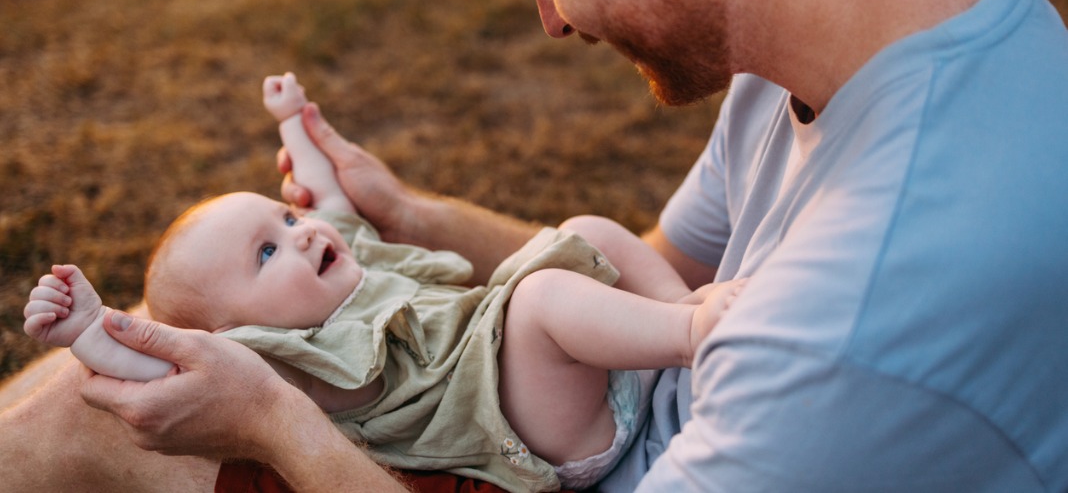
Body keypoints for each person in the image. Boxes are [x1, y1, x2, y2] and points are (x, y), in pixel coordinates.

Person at [2, 0, 1067, 490]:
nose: (550, 19)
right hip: (614, 401)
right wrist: (414, 220)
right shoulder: (883, 30)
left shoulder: (863, 319)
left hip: (576, 462)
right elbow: (639, 265)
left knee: (93, 424)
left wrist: (278, 419)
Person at [21, 73, 743, 492]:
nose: (300, 233)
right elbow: (154, 365)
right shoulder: (286, 359)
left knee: (586, 232)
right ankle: (693, 334)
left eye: (280, 220)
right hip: (530, 427)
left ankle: (681, 308)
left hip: (557, 376)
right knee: (543, 297)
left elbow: (326, 199)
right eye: (267, 255)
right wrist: (89, 329)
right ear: (238, 336)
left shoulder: (346, 259)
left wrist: (293, 125)